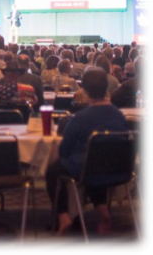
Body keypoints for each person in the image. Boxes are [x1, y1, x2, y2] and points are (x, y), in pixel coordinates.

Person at [46, 68, 129, 237]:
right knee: (93, 163)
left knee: (54, 170)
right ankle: (102, 209)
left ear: (84, 90)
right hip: (119, 168)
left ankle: (62, 216)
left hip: (90, 168)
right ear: (106, 88)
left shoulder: (80, 118)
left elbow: (64, 150)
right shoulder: (120, 116)